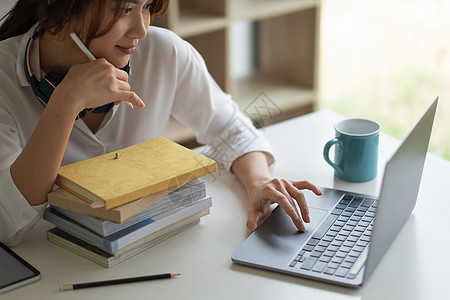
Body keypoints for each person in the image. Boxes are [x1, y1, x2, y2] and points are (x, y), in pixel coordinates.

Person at [0, 0, 322, 247]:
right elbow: (8, 221)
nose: (141, 29)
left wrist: (259, 183)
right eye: (125, 8)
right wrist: (65, 103)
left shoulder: (163, 51)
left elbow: (231, 128)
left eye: (146, 6)